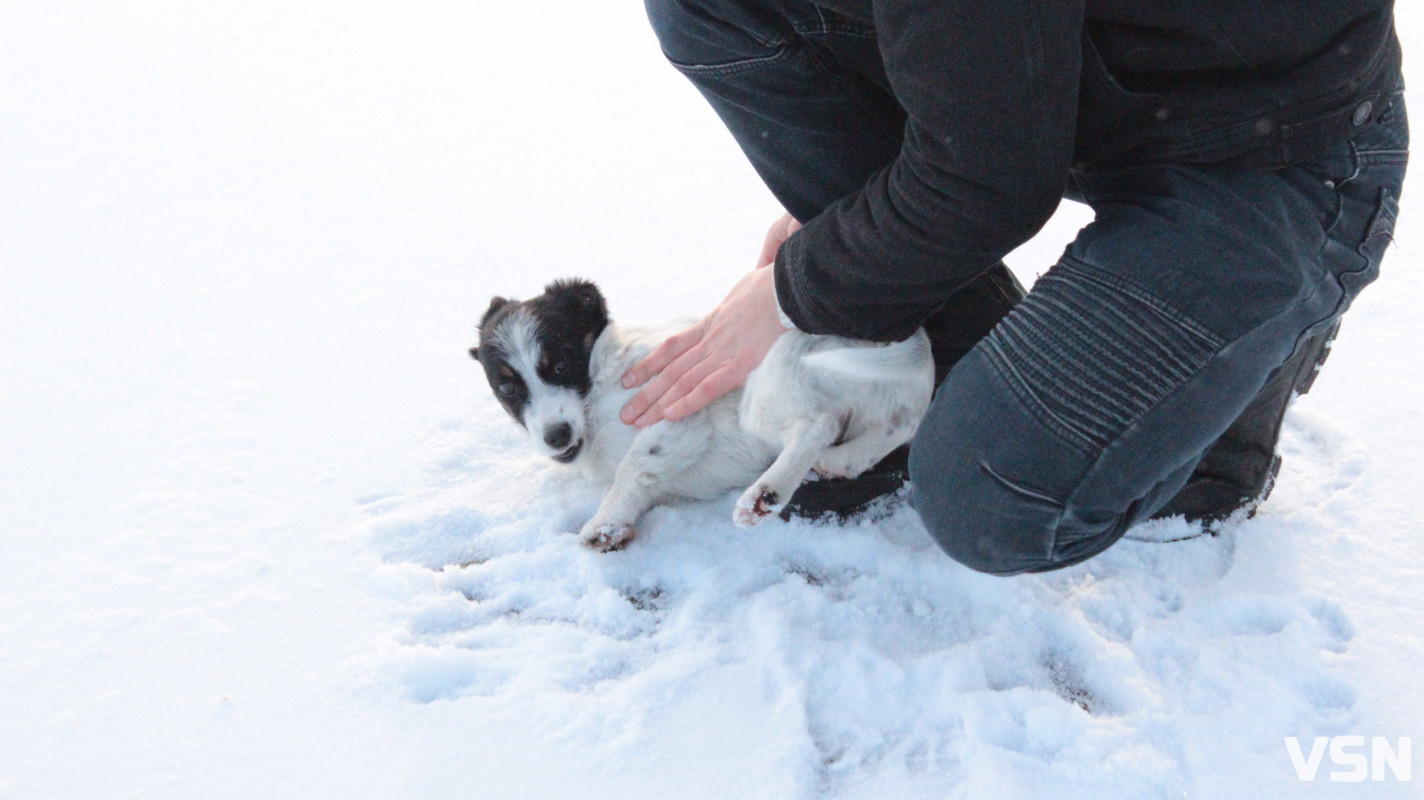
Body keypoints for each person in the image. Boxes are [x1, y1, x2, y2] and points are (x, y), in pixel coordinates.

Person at [617, 0, 1409, 575]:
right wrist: (852, 233)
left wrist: (797, 290)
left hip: (1262, 146)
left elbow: (988, 176)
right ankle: (936, 373)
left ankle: (1259, 334)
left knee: (990, 496)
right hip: (1067, 81)